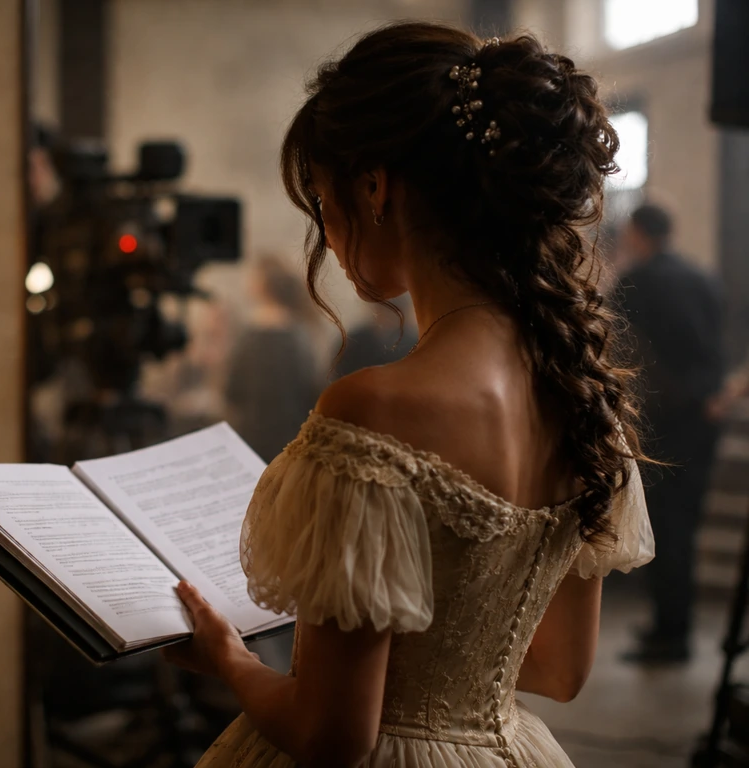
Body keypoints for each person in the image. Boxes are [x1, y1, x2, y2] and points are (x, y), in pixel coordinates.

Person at [160, 23, 655, 768]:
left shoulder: (374, 410)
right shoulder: (581, 399)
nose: (326, 234)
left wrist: (231, 658)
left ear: (373, 186)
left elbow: (334, 739)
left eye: (322, 202)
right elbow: (560, 670)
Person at [615, 203, 724, 664]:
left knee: (663, 525)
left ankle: (670, 636)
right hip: (704, 417)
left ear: (639, 233)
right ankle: (672, 626)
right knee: (686, 525)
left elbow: (611, 337)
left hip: (661, 422)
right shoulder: (701, 277)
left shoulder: (640, 279)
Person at [225, 256, 323, 463]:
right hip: (291, 435)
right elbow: (311, 390)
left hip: (253, 436)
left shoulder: (250, 336)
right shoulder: (300, 334)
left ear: (262, 286)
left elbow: (232, 389)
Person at [333, 294, 419, 378]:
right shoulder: (355, 340)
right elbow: (341, 374)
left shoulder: (413, 342)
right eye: (383, 310)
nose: (387, 318)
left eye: (392, 313)